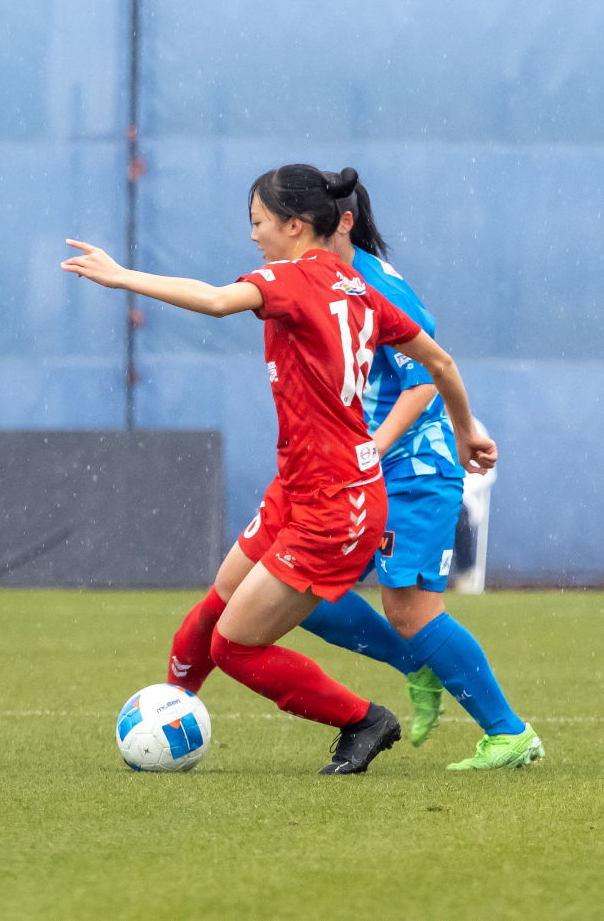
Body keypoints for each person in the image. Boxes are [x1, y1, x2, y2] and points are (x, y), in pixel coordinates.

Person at [63, 164, 495, 775]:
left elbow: (217, 302)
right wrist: (467, 429)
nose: (253, 236)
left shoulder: (292, 280)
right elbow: (441, 364)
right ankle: (171, 709)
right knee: (213, 609)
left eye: (259, 222)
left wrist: (122, 276)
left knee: (234, 647)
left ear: (295, 225)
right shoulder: (359, 287)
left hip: (335, 502)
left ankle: (365, 720)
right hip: (302, 487)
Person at [298, 181, 544, 770]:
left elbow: (426, 377)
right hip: (364, 473)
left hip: (413, 471)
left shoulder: (377, 287)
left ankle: (510, 734)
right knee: (300, 592)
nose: (285, 234)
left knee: (410, 611)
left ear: (341, 224)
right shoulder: (318, 281)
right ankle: (418, 661)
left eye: (297, 222)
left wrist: (375, 446)